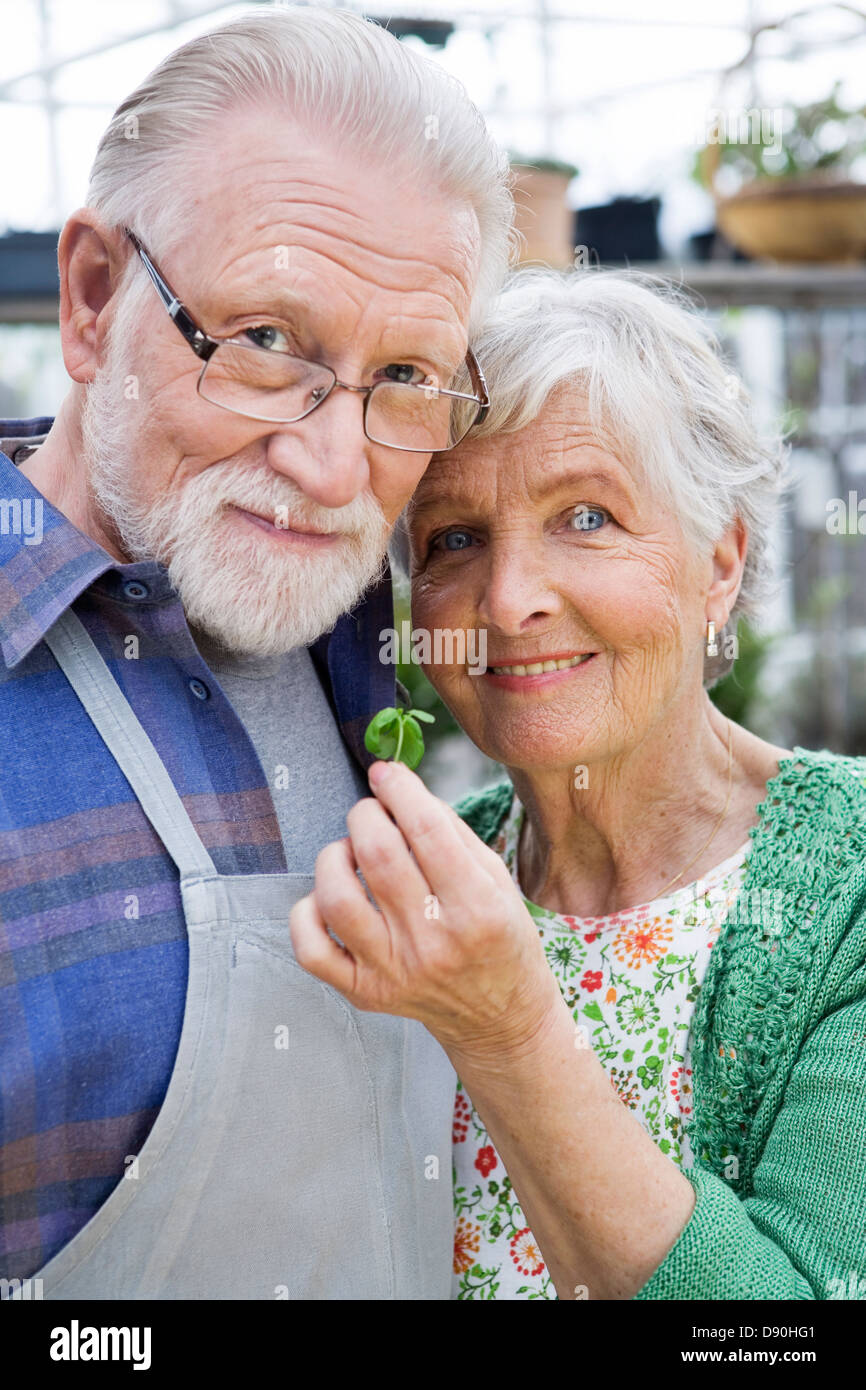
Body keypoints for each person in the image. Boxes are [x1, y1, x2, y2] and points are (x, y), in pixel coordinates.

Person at [0, 6, 515, 1299]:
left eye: (405, 374)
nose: (333, 466)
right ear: (93, 298)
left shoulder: (366, 625)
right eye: (267, 342)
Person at [291, 267, 866, 1300]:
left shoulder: (847, 888)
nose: (508, 602)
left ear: (718, 563)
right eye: (455, 538)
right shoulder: (406, 887)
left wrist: (506, 1029)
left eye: (586, 517)